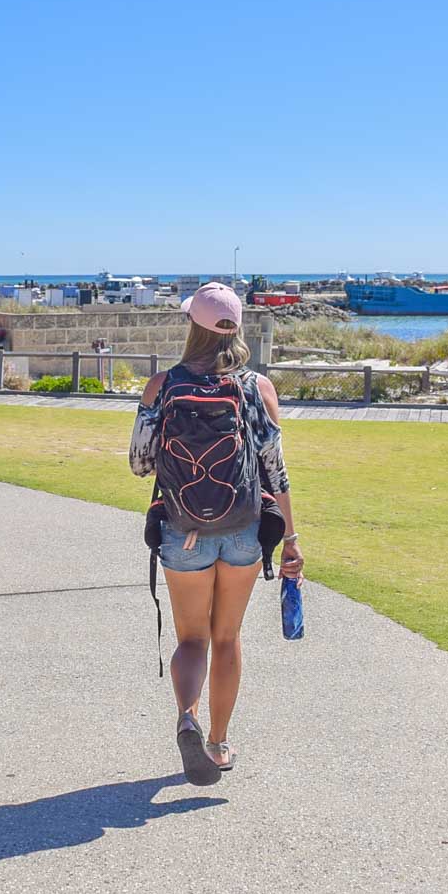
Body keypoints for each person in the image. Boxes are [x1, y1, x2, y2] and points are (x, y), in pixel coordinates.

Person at [128, 282, 303, 784]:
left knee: (191, 638)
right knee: (226, 638)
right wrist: (291, 541)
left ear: (193, 326)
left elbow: (140, 463)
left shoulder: (162, 386)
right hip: (244, 529)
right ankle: (219, 744)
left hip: (182, 529)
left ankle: (188, 716)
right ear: (237, 328)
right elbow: (275, 472)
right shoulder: (257, 388)